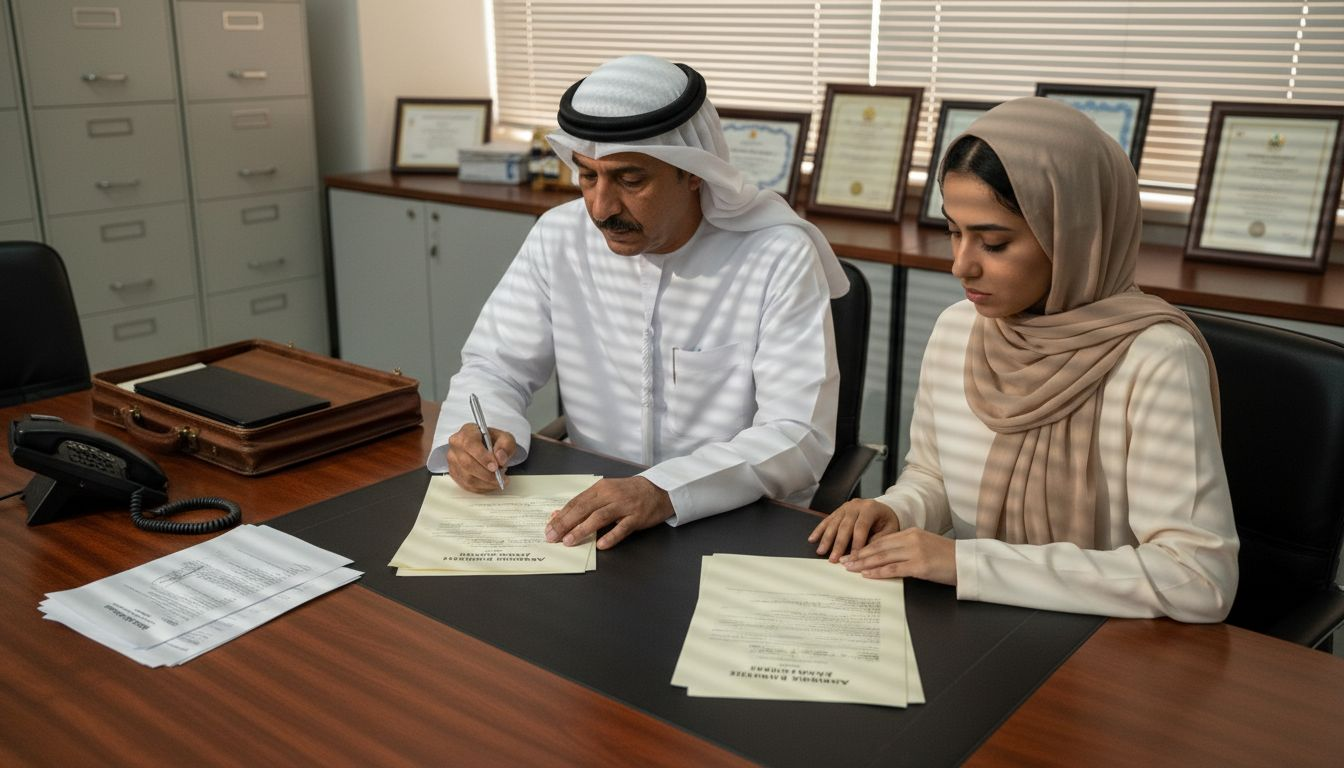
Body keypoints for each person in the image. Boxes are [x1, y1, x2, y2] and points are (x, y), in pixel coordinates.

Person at [810, 97, 1239, 621]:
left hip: (1104, 646)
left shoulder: (1155, 359)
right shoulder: (957, 329)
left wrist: (968, 563)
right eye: (954, 232)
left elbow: (1196, 578)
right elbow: (934, 476)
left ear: (1072, 235)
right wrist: (895, 512)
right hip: (981, 621)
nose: (961, 266)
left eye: (992, 242)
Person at [428, 54, 849, 550]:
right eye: (587, 177)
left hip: (732, 523)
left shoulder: (775, 255)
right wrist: (482, 430)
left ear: (693, 172)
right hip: (591, 519)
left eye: (631, 180)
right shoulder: (559, 237)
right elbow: (495, 366)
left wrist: (661, 490)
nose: (601, 208)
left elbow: (797, 433)